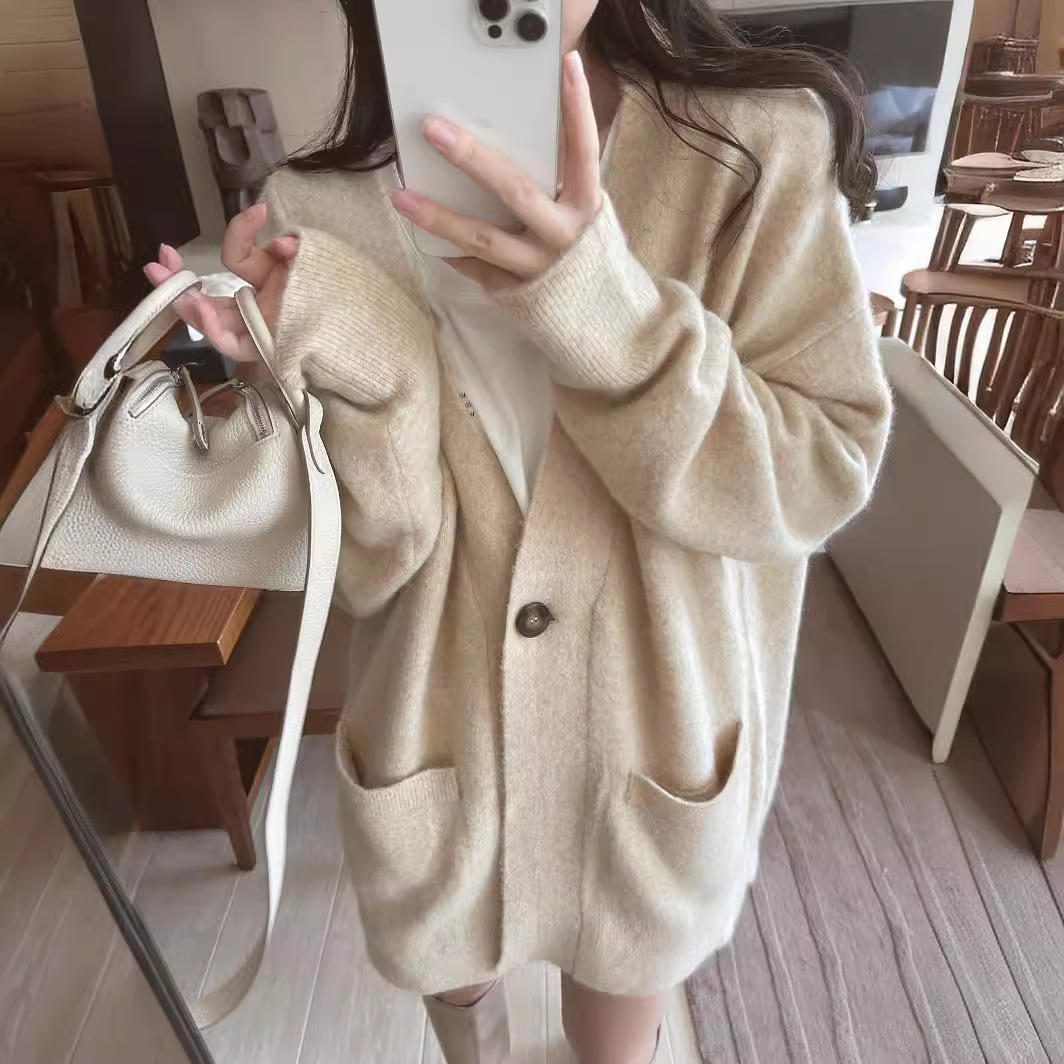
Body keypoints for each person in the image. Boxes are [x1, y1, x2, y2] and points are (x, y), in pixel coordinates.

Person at [146, 1, 892, 1060]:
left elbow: (816, 473)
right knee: (464, 1007)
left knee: (617, 1007)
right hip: (435, 738)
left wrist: (604, 312)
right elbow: (372, 562)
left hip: (656, 740)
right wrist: (345, 347)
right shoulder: (315, 212)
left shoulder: (752, 151)